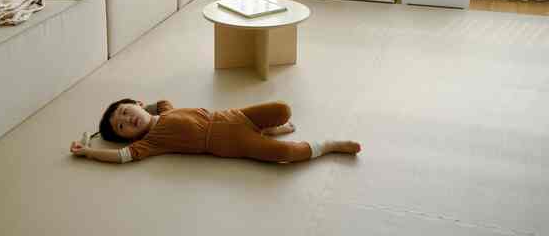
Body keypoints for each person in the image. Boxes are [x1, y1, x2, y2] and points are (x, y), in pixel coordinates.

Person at [70, 99, 360, 164]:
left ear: (135, 102)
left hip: (234, 115)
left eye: (124, 111)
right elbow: (121, 156)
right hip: (233, 142)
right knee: (285, 155)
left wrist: (145, 107)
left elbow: (157, 103)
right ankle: (330, 146)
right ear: (130, 137)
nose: (126, 119)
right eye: (121, 127)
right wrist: (89, 151)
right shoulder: (152, 142)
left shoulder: (166, 109)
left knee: (282, 109)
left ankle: (269, 130)